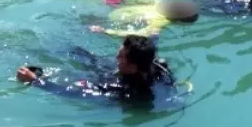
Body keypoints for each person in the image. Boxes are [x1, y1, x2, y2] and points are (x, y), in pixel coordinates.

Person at [16, 34, 176, 105]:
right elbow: (151, 44)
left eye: (120, 57)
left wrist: (36, 82)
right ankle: (29, 45)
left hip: (111, 80)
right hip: (116, 73)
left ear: (133, 66)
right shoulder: (151, 62)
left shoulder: (125, 91)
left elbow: (73, 93)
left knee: (84, 72)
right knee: (78, 52)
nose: (116, 57)